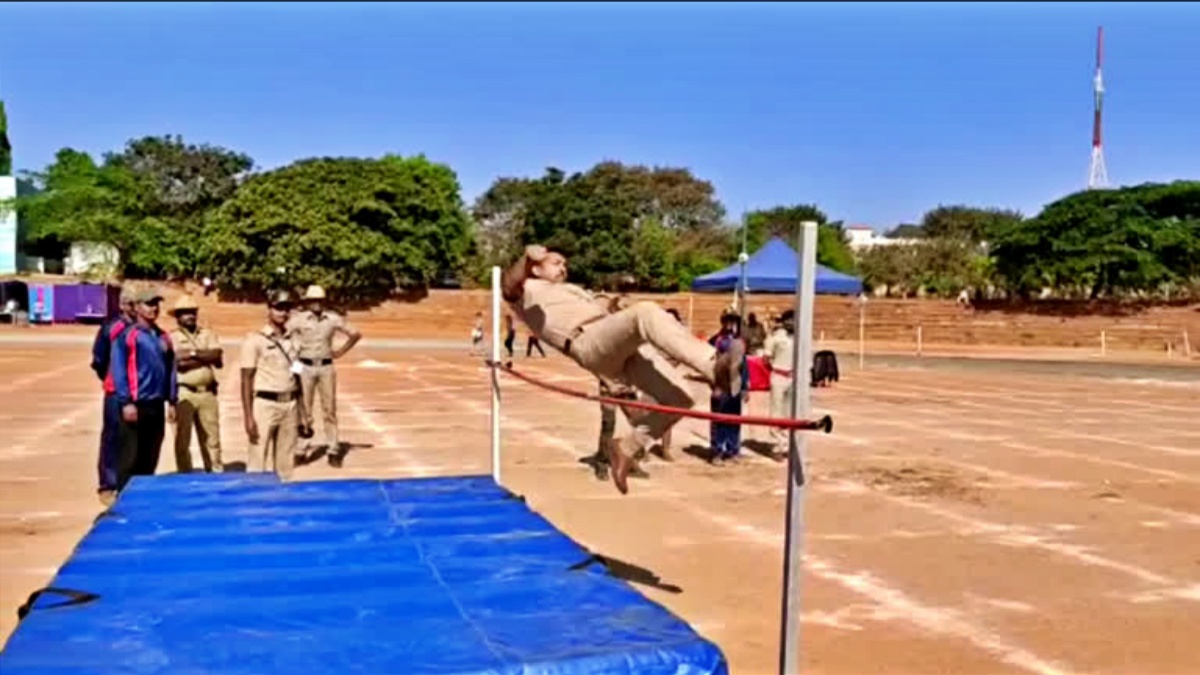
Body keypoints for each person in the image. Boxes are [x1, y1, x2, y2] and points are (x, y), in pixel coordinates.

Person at [502, 245, 743, 494]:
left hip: (614, 342)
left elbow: (609, 306)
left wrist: (614, 300)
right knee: (645, 313)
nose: (563, 268)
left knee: (681, 398)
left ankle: (627, 448)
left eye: (565, 264)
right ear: (536, 268)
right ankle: (714, 366)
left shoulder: (572, 290)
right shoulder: (528, 290)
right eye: (556, 263)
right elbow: (507, 287)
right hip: (586, 341)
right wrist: (526, 258)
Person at [110, 288, 177, 492]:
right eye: (149, 304)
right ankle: (124, 499)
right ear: (138, 307)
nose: (153, 308)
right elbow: (119, 370)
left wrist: (172, 399)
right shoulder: (128, 336)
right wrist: (126, 402)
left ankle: (144, 498)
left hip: (156, 404)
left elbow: (171, 368)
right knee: (130, 457)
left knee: (151, 455)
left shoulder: (163, 336)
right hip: (136, 405)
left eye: (156, 304)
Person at [288, 285, 361, 467]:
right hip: (304, 365)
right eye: (313, 301)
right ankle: (302, 448)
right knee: (304, 409)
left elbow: (355, 333)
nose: (316, 304)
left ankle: (333, 448)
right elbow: (284, 335)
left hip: (326, 367)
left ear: (324, 301)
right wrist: (292, 365)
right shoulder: (298, 319)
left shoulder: (333, 319)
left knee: (329, 410)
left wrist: (340, 352)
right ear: (307, 302)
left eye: (319, 300)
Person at [240, 290, 309, 480]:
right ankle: (255, 502)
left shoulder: (294, 340)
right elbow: (246, 378)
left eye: (287, 309)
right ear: (269, 309)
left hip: (290, 404)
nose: (283, 313)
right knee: (257, 459)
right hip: (265, 404)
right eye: (278, 308)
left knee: (286, 462)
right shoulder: (255, 340)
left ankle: (284, 500)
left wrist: (303, 412)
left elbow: (297, 375)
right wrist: (248, 416)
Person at [89, 287, 135, 505]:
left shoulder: (145, 328)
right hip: (115, 391)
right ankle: (108, 483)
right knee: (112, 436)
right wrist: (111, 379)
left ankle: (131, 479)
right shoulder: (112, 328)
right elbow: (99, 359)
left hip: (138, 392)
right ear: (124, 305)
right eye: (133, 304)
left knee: (133, 438)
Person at [169, 294, 224, 473]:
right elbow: (177, 363)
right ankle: (185, 475)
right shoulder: (171, 338)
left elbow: (217, 356)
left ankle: (215, 473)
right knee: (182, 440)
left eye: (192, 312)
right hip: (184, 392)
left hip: (207, 393)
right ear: (177, 317)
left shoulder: (207, 333)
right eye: (185, 313)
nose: (190, 316)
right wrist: (203, 356)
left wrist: (191, 354)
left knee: (212, 439)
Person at [708, 312, 747, 465]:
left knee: (734, 421)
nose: (730, 324)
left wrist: (745, 387)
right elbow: (709, 365)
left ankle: (733, 450)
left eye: (733, 321)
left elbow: (744, 366)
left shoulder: (739, 341)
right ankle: (717, 451)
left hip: (735, 386)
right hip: (721, 385)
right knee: (718, 421)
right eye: (727, 320)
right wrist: (714, 385)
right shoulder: (715, 341)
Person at [762, 309, 796, 459]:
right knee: (776, 412)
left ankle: (786, 445)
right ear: (785, 321)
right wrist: (775, 370)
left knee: (788, 413)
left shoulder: (798, 337)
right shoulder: (776, 337)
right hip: (779, 376)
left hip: (793, 377)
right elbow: (766, 358)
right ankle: (776, 446)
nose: (793, 323)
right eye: (790, 320)